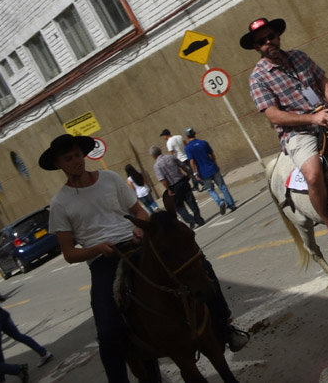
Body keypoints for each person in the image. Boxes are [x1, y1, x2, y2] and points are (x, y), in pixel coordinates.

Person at [42, 134, 246, 383]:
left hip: (137, 243)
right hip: (104, 260)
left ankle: (224, 327)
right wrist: (96, 248)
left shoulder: (110, 179)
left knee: (199, 265)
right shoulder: (60, 203)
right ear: (59, 164)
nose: (75, 161)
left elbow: (137, 210)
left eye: (76, 155)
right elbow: (69, 253)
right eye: (68, 158)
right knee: (107, 329)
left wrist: (142, 226)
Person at [243, 16, 328, 250]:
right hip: (298, 133)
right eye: (262, 41)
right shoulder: (258, 78)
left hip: (327, 115)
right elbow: (273, 115)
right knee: (313, 176)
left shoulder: (300, 56)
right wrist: (312, 118)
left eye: (270, 36)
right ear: (256, 47)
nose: (268, 43)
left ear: (278, 36)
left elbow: (322, 80)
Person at [184, 127, 236, 214]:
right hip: (212, 167)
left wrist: (195, 172)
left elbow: (191, 161)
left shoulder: (188, 148)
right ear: (195, 133)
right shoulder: (203, 143)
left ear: (186, 137)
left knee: (210, 189)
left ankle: (220, 202)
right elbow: (211, 154)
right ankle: (231, 204)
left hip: (203, 171)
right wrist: (215, 163)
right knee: (222, 186)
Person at [150, 145, 204, 228]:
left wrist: (168, 189)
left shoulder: (157, 166)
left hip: (173, 186)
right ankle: (199, 219)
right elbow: (182, 165)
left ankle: (190, 219)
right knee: (191, 201)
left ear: (153, 156)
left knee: (179, 206)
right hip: (182, 181)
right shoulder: (170, 157)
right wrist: (188, 173)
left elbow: (162, 179)